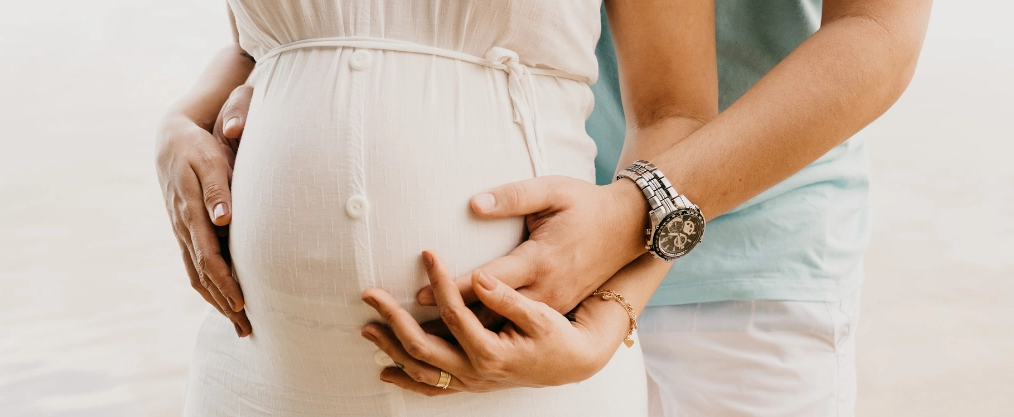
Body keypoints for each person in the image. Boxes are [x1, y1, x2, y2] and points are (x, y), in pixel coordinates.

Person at [156, 1, 933, 416]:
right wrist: (184, 118)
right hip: (523, 257)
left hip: (747, 260)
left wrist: (626, 245)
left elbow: (879, 34)